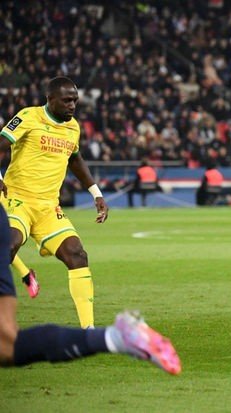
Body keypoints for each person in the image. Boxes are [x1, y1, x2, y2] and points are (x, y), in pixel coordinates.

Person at [0, 204, 181, 374]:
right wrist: (25, 273)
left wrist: (96, 194)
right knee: (6, 347)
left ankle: (113, 336)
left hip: (40, 208)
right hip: (14, 207)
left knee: (6, 344)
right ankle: (114, 337)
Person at [0, 76, 108, 328]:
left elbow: (75, 160)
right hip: (17, 200)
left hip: (49, 207)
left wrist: (96, 193)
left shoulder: (73, 128)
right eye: (67, 100)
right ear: (50, 99)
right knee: (8, 246)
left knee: (77, 254)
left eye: (75, 101)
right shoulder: (29, 117)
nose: (72, 105)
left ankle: (88, 330)